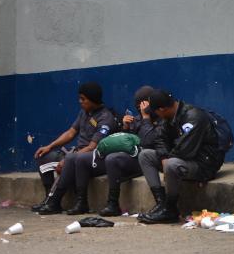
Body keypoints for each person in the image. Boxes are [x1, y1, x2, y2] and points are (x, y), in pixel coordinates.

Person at [137, 90, 224, 223]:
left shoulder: (193, 117)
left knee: (172, 164)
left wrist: (167, 161)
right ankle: (161, 204)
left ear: (162, 109)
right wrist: (163, 157)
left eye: (156, 111)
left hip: (203, 164)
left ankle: (170, 209)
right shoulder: (168, 117)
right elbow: (160, 139)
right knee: (145, 155)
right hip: (181, 160)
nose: (156, 115)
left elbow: (185, 150)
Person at [32, 82, 117, 215]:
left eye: (83, 99)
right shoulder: (84, 113)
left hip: (90, 157)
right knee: (43, 156)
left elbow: (92, 147)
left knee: (71, 159)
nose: (80, 102)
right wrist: (49, 146)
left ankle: (54, 202)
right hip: (75, 152)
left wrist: (67, 159)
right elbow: (71, 132)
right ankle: (48, 197)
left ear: (93, 100)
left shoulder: (105, 118)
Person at [96, 85, 162, 217]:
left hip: (151, 160)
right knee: (111, 158)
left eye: (143, 105)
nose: (141, 109)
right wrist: (125, 127)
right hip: (135, 158)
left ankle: (161, 204)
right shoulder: (137, 119)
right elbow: (127, 142)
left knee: (136, 156)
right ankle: (112, 204)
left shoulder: (161, 117)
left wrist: (146, 118)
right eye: (138, 106)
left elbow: (148, 142)